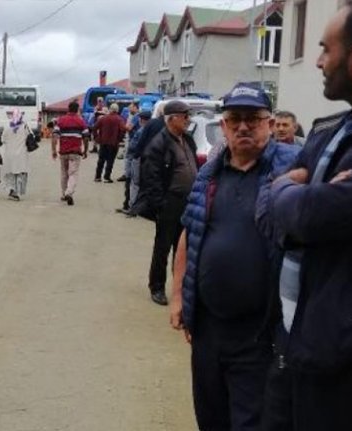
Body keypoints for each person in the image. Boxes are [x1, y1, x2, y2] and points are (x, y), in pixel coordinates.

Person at [171, 83, 299, 431]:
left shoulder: (291, 174)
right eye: (235, 119)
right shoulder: (210, 176)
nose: (243, 127)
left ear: (270, 125)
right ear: (224, 126)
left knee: (250, 422)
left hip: (260, 335)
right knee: (211, 418)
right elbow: (189, 232)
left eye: (253, 119)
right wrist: (179, 293)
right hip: (209, 330)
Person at [257, 4, 352, 429]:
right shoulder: (330, 132)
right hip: (291, 342)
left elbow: (313, 214)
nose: (317, 61)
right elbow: (269, 210)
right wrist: (291, 193)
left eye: (325, 49)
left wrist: (294, 195)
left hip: (337, 359)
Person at [131, 100, 196, 306]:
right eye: (184, 116)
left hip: (188, 201)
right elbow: (151, 178)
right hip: (169, 203)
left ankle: (180, 287)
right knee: (163, 246)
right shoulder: (158, 144)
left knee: (183, 247)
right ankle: (157, 287)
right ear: (172, 118)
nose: (188, 120)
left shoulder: (187, 139)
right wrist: (160, 205)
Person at [52, 100, 90, 206]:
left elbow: (54, 136)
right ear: (77, 110)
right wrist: (85, 150)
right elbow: (86, 137)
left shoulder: (61, 121)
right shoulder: (81, 121)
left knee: (64, 173)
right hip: (75, 152)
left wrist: (54, 150)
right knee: (73, 173)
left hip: (63, 152)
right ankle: (69, 192)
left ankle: (64, 194)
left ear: (68, 109)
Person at [120, 110, 152, 214]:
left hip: (135, 158)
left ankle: (131, 206)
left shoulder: (141, 130)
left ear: (142, 119)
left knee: (133, 182)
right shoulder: (148, 130)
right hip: (140, 158)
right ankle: (130, 205)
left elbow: (134, 146)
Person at [1, 109, 31, 201]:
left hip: (10, 154)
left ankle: (12, 191)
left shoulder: (7, 127)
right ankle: (15, 192)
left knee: (11, 173)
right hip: (21, 154)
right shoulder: (25, 127)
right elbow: (30, 137)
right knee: (19, 173)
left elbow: (3, 140)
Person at [93, 103, 127, 183]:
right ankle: (107, 177)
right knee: (110, 160)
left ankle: (98, 177)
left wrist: (96, 137)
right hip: (113, 143)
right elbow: (123, 129)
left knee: (101, 160)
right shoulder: (119, 119)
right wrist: (120, 138)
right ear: (117, 110)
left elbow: (94, 128)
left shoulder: (103, 118)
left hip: (103, 141)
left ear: (110, 109)